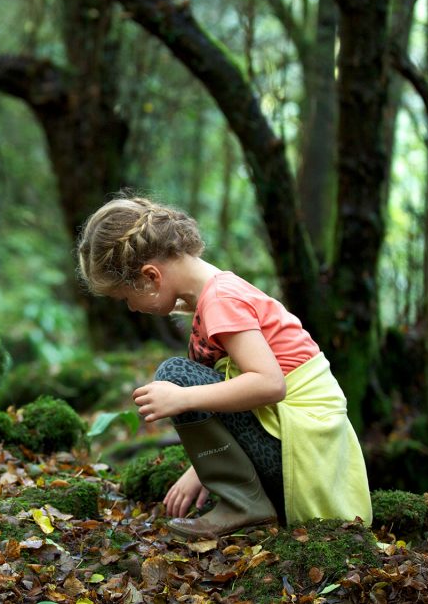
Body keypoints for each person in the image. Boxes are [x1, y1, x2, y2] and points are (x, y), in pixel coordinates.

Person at [76, 194, 371, 539]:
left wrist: (183, 400)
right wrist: (201, 469)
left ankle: (244, 504)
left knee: (176, 377)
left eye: (126, 297)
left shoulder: (221, 300)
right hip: (293, 449)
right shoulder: (213, 295)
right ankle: (242, 499)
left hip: (302, 459)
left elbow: (270, 385)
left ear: (151, 276)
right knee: (183, 380)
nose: (131, 308)